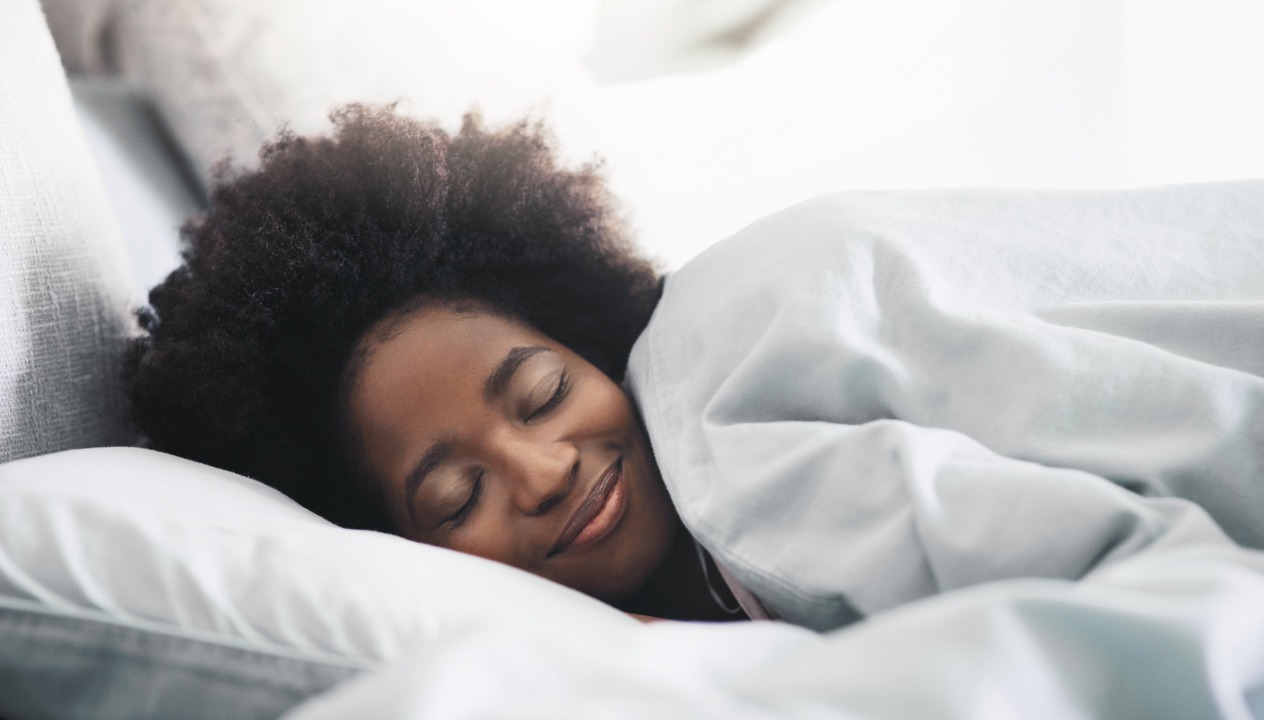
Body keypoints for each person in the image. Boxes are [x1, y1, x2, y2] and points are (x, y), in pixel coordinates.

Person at [128, 105, 1263, 629]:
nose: (537, 469)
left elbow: (1164, 595)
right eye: (453, 495)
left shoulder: (721, 404)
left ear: (592, 336)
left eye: (539, 393)